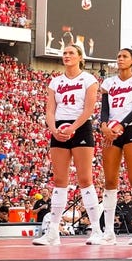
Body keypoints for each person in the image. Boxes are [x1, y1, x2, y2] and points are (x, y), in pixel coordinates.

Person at [32, 44, 102, 246]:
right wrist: (53, 129)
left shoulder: (88, 79)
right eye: (64, 53)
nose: (67, 56)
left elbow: (89, 109)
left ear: (81, 57)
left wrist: (73, 127)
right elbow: (50, 110)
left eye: (71, 53)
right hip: (59, 129)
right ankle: (53, 231)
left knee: (85, 178)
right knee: (60, 180)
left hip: (80, 128)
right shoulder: (55, 81)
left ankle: (96, 229)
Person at [97, 48, 132, 245]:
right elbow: (105, 109)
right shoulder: (108, 83)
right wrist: (103, 126)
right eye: (118, 56)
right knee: (110, 181)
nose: (120, 59)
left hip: (130, 129)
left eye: (124, 56)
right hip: (111, 131)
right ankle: (108, 232)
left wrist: (121, 125)